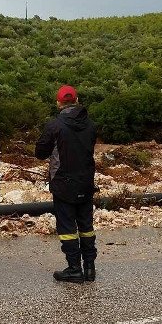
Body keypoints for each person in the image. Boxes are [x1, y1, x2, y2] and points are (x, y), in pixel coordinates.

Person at [35, 85, 98, 283]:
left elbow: (40, 153)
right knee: (86, 226)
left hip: (63, 183)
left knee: (67, 228)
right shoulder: (90, 124)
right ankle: (89, 267)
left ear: (58, 103)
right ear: (77, 100)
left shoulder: (54, 125)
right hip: (86, 182)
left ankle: (74, 268)